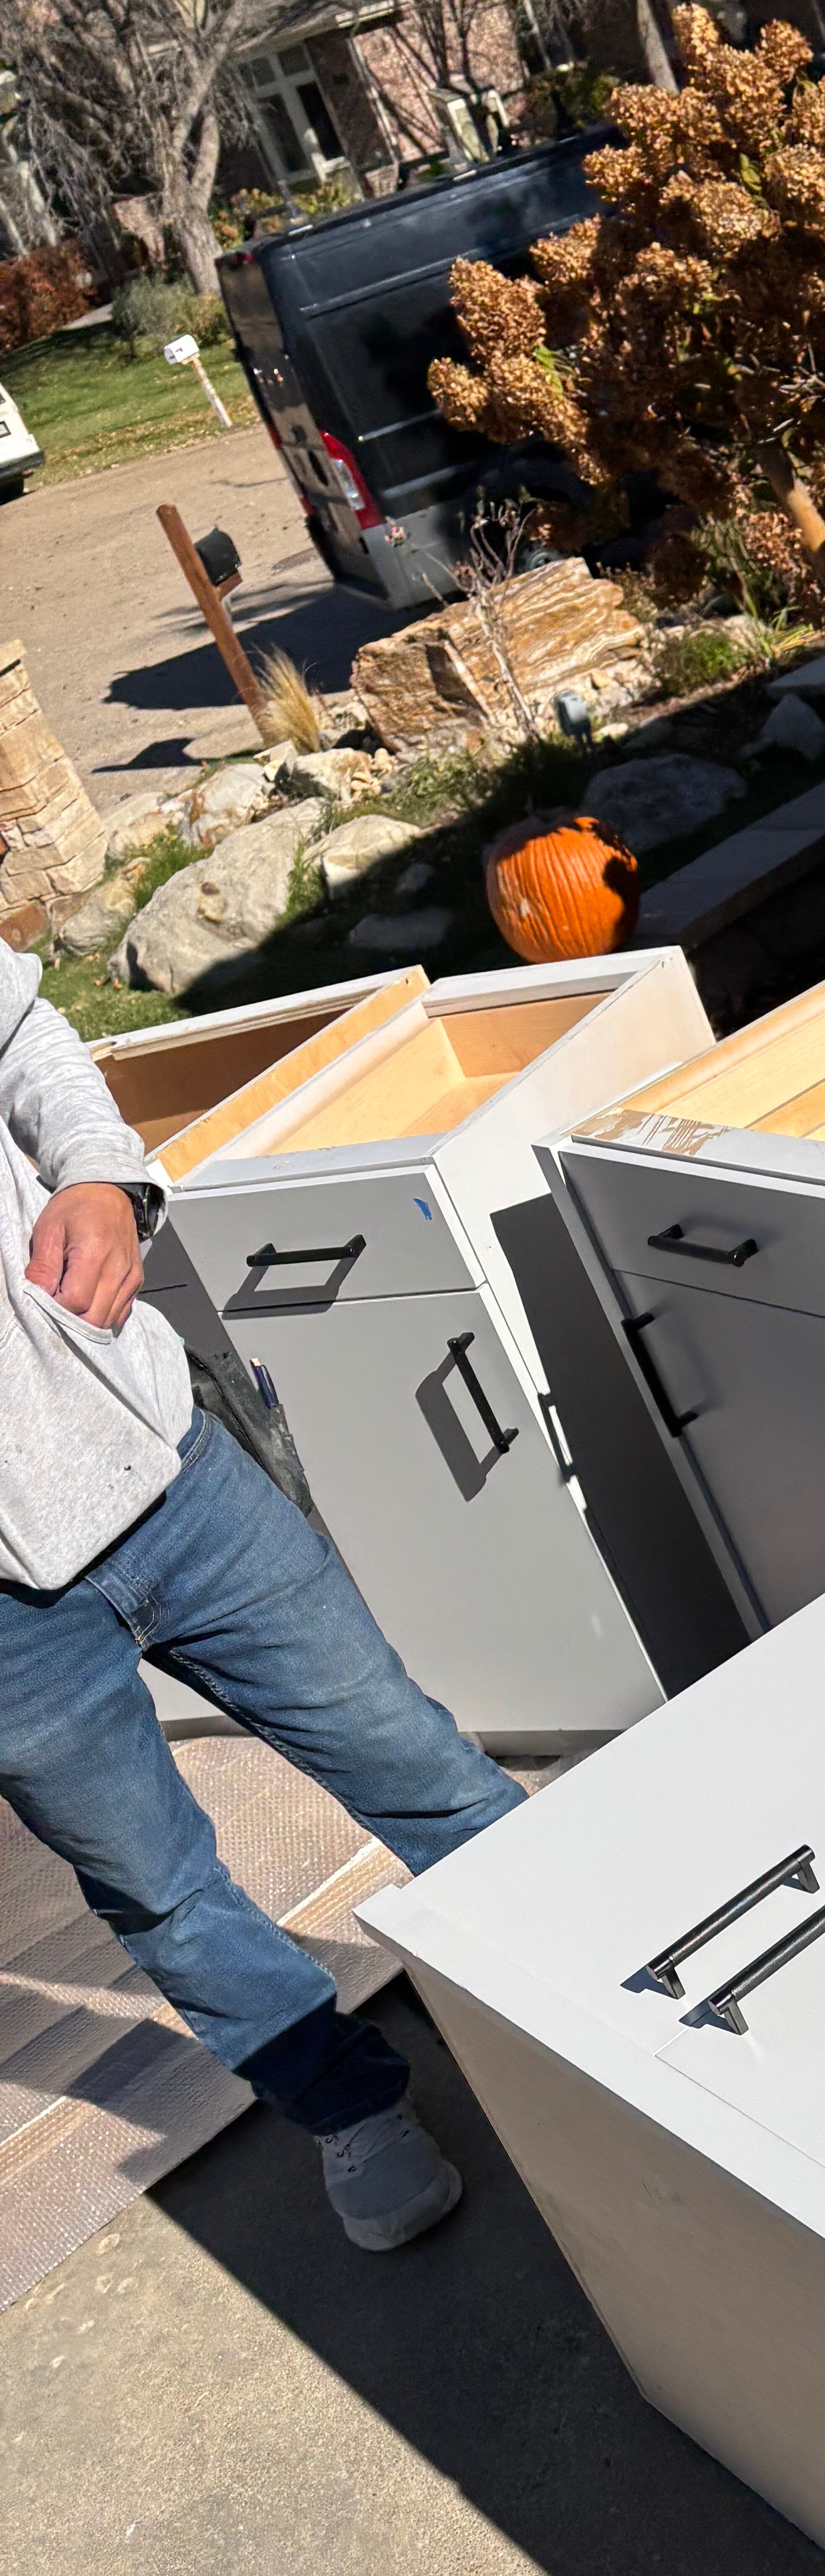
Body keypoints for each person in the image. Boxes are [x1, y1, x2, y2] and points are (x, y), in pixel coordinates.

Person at [0, 946, 524, 2249]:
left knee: (412, 1758)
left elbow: (24, 1039)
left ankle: (586, 1996)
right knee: (163, 1894)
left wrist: (103, 1181)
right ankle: (349, 2108)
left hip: (164, 1464)